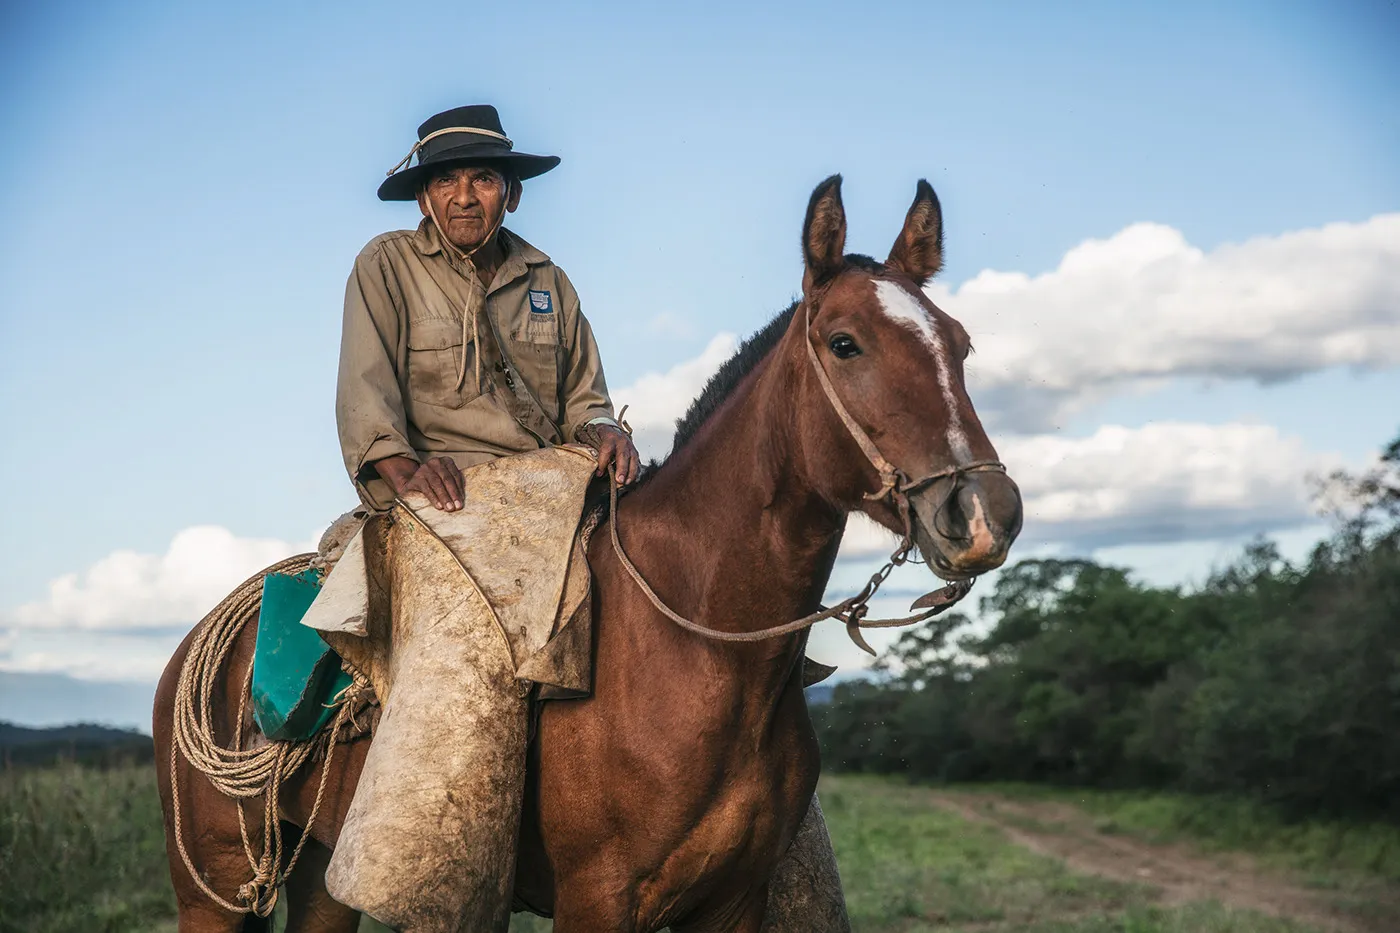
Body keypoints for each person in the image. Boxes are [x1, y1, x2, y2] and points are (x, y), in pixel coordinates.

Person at [337, 104, 640, 512]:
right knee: (353, 575)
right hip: (447, 494)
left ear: (512, 194)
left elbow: (586, 401)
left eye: (482, 179)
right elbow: (366, 400)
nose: (464, 197)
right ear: (424, 200)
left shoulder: (550, 281)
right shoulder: (386, 265)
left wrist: (606, 432)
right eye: (446, 180)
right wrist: (409, 477)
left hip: (555, 486)